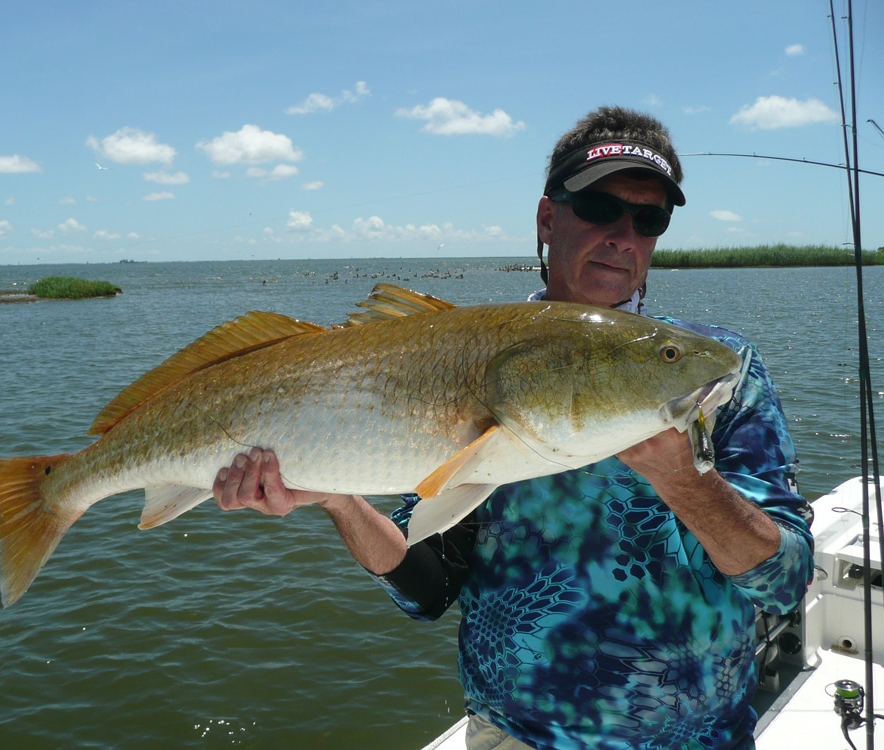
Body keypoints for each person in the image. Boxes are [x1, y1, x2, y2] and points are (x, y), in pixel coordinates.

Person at [212, 106, 814, 750]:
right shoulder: (474, 365)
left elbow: (784, 581)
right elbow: (426, 584)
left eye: (649, 218)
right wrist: (335, 494)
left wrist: (684, 481)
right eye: (601, 207)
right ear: (548, 219)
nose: (623, 234)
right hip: (512, 736)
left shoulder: (714, 369)